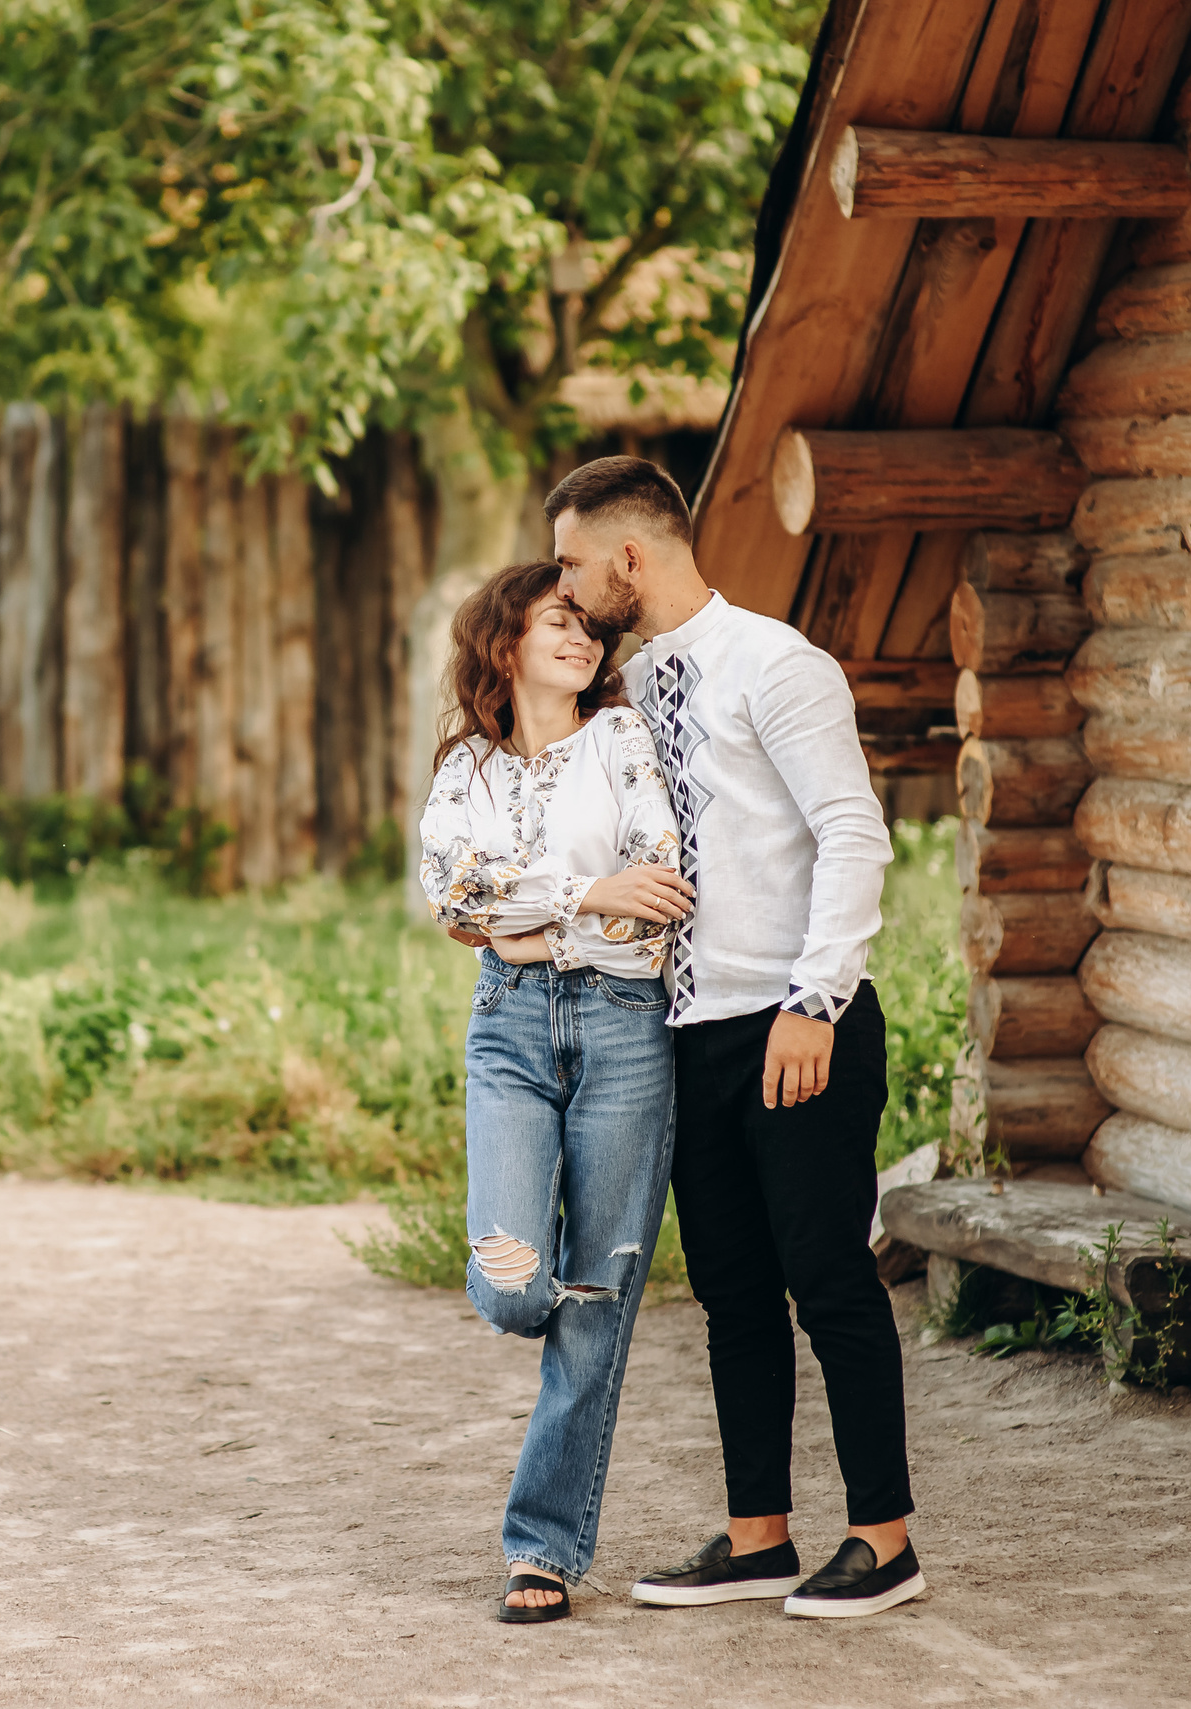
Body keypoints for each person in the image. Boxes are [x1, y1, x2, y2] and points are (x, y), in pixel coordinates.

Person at [548, 456, 923, 1620]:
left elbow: (852, 833)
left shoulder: (776, 662)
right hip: (686, 1031)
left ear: (628, 556)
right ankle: (759, 1532)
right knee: (731, 1291)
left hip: (791, 1020)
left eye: (570, 562)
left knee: (827, 1276)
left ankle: (885, 1539)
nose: (561, 589)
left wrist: (817, 1000)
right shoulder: (619, 694)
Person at [416, 559, 695, 1625]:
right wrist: (580, 890)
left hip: (624, 1033)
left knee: (597, 1305)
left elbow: (656, 886)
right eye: (556, 621)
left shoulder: (622, 740)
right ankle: (570, 1299)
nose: (580, 638)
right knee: (514, 1290)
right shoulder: (466, 769)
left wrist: (526, 905)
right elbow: (451, 888)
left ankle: (541, 1548)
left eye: (588, 626)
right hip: (512, 1028)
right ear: (505, 643)